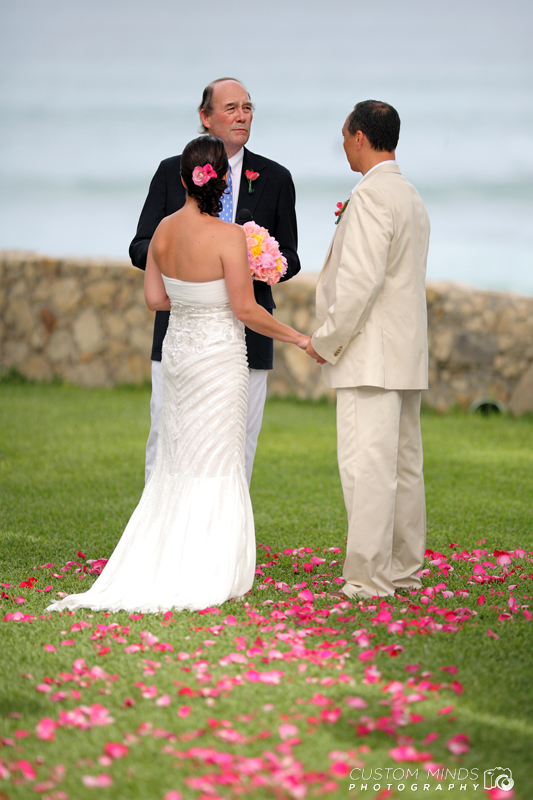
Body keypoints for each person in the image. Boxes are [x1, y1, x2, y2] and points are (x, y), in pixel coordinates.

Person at [47, 136, 309, 614]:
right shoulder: (229, 237)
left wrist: (193, 301)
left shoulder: (164, 231)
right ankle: (210, 562)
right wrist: (297, 337)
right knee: (219, 456)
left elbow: (155, 299)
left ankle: (167, 553)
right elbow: (246, 308)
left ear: (186, 179)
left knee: (177, 454)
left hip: (180, 354)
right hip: (218, 354)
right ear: (222, 180)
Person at [130, 78, 301, 485]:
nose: (242, 115)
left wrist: (260, 263)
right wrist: (196, 274)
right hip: (184, 331)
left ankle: (227, 535)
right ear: (205, 118)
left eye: (247, 107)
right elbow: (141, 246)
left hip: (248, 336)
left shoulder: (276, 177)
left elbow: (290, 259)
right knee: (166, 437)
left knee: (240, 442)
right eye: (231, 108)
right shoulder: (171, 172)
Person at [306, 100, 430, 599]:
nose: (342, 145)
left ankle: (369, 577)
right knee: (403, 466)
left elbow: (360, 283)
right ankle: (404, 569)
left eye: (343, 135)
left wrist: (326, 340)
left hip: (370, 358)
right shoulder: (410, 195)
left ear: (359, 136)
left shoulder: (372, 197)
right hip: (404, 355)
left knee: (368, 467)